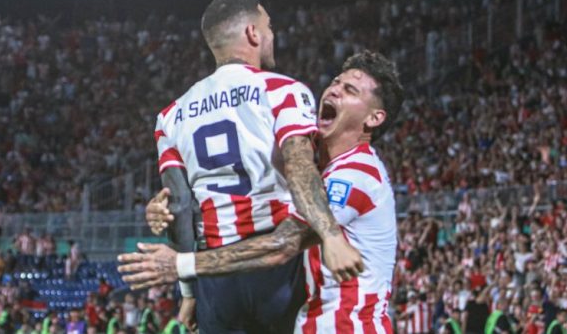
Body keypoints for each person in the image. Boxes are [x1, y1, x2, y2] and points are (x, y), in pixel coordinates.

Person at [120, 50, 404, 333]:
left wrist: (182, 265)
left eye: (350, 90)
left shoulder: (357, 174)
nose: (334, 90)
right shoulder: (311, 167)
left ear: (374, 118)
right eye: (336, 82)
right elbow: (233, 189)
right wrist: (165, 208)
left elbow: (283, 244)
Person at [147, 0, 362, 333]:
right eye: (269, 27)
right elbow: (300, 169)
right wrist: (330, 234)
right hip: (275, 262)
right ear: (252, 33)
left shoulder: (170, 116)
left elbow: (178, 205)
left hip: (215, 274)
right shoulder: (283, 91)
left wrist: (188, 291)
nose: (273, 35)